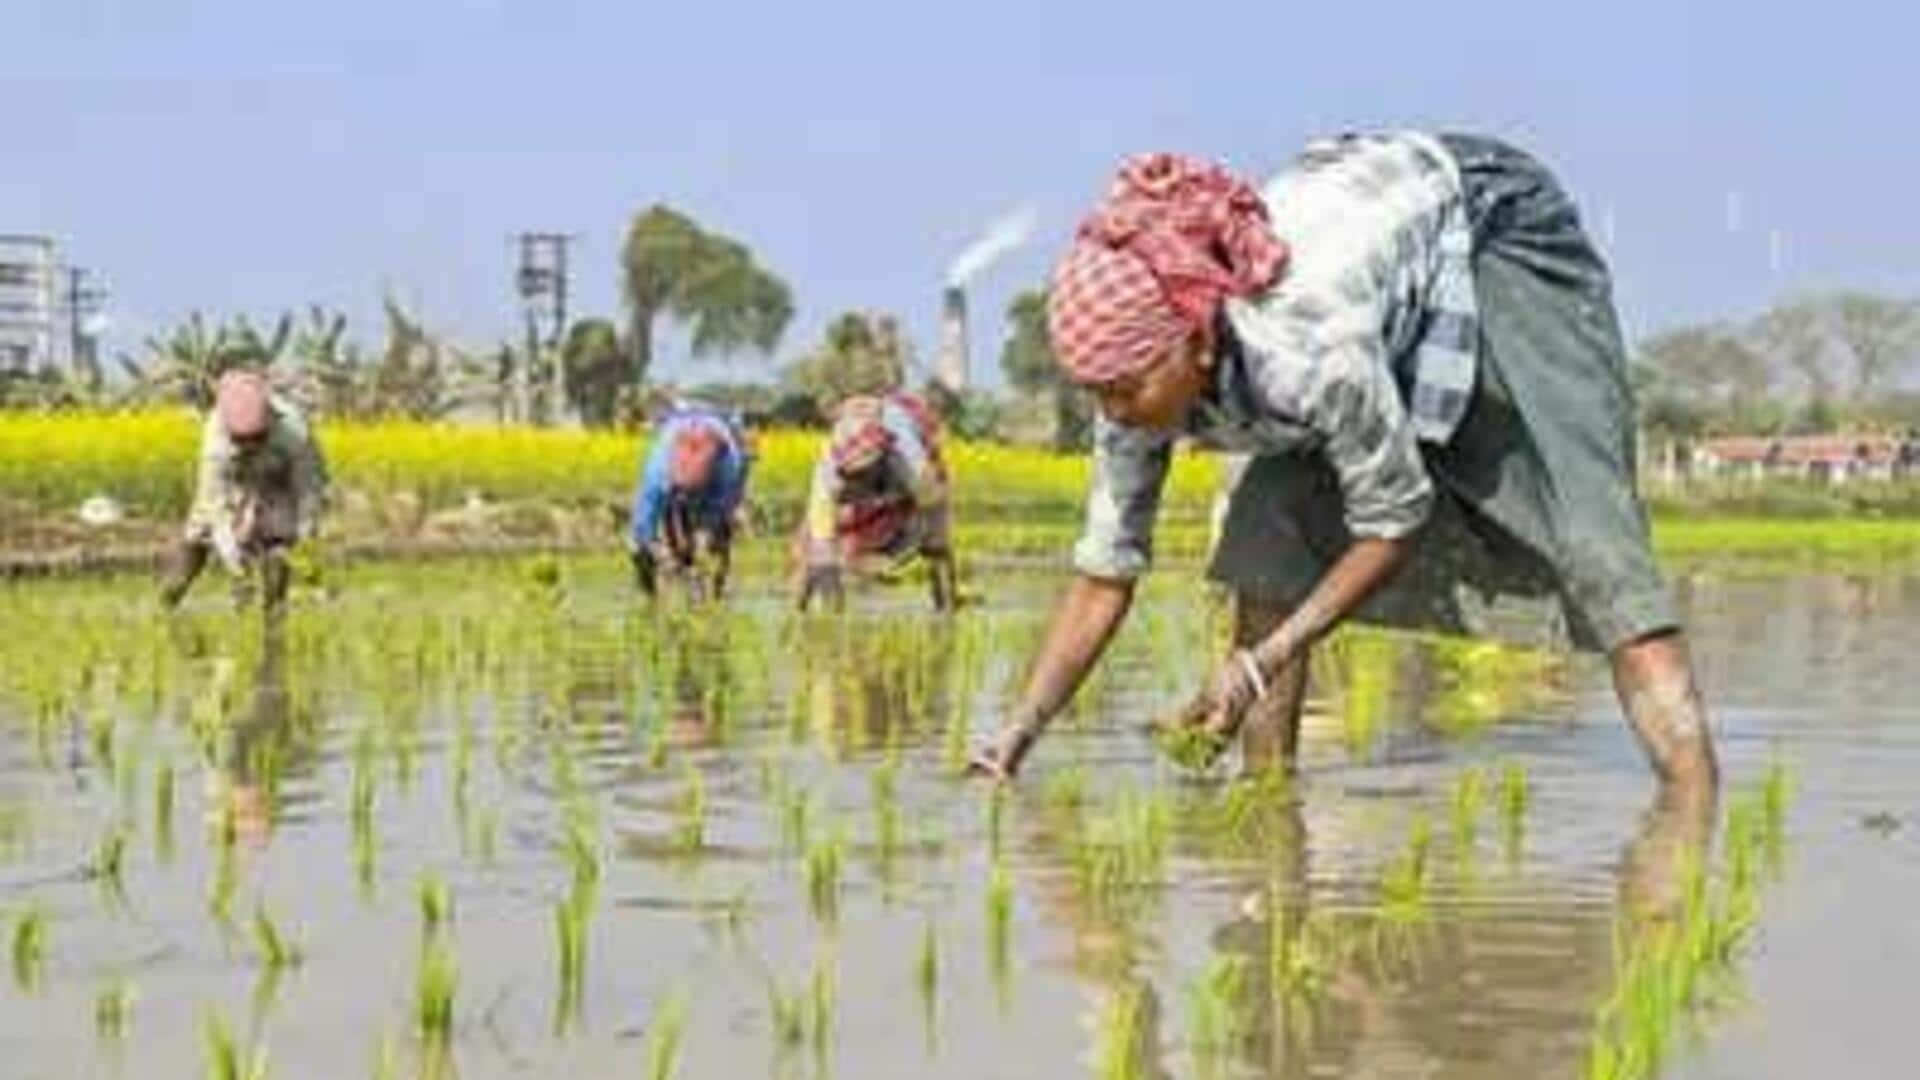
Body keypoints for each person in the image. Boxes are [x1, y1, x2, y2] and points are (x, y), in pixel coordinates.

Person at [967, 133, 1718, 796]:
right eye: (1097, 393)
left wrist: (1262, 661)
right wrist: (1014, 740)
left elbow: (1393, 519)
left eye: (1127, 390)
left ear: (1196, 341)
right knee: (1267, 538)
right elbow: (1104, 575)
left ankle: (1691, 817)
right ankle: (1269, 811)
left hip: (1492, 222)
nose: (1115, 411)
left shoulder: (1308, 350)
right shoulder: (1131, 386)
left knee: (1594, 541)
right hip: (1372, 252)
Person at [159, 369, 329, 612]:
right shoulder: (215, 441)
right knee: (199, 529)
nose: (250, 446)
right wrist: (234, 561)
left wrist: (306, 536)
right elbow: (214, 506)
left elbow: (308, 489)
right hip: (234, 476)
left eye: (256, 439)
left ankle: (274, 608)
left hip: (278, 475)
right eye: (241, 441)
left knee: (281, 531)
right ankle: (169, 598)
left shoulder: (294, 430)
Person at [796, 390, 958, 612]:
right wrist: (832, 613)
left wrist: (899, 557)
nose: (859, 481)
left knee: (936, 544)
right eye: (853, 476)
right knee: (814, 546)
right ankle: (799, 607)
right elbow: (822, 547)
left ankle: (947, 605)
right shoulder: (828, 477)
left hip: (909, 450)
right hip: (871, 441)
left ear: (881, 460)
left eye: (864, 473)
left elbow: (933, 514)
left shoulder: (911, 464)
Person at [628, 399, 752, 601]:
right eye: (683, 493)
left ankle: (714, 592)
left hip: (726, 427)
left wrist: (705, 540)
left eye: (692, 493)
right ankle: (650, 596)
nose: (688, 498)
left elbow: (718, 514)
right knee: (640, 549)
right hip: (679, 425)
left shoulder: (729, 467)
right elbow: (642, 529)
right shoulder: (658, 471)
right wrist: (659, 553)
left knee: (717, 537)